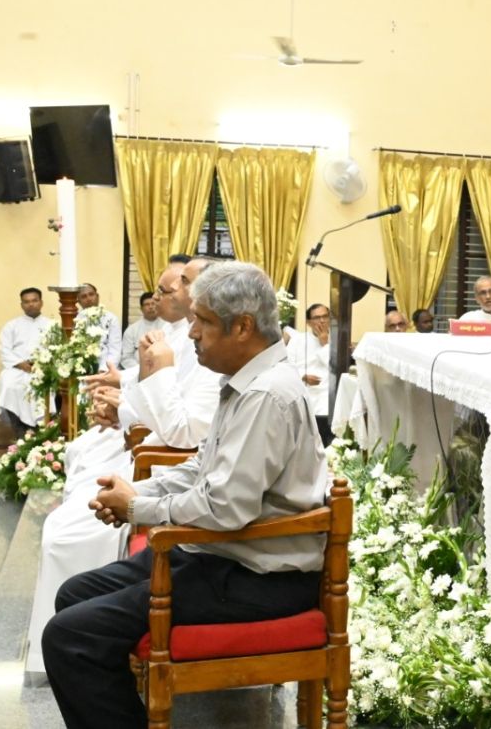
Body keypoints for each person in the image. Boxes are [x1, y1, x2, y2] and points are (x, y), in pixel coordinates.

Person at [41, 261, 328, 729]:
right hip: (226, 555)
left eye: (203, 322)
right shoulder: (247, 382)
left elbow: (224, 507)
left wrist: (138, 507)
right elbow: (202, 467)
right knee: (75, 594)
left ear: (243, 327)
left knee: (71, 637)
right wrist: (138, 491)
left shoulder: (266, 395)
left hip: (258, 577)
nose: (191, 333)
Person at [25, 260, 220, 676]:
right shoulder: (196, 344)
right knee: (73, 503)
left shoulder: (238, 376)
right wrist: (128, 402)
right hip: (162, 468)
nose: (172, 294)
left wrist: (136, 503)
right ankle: (71, 646)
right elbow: (189, 437)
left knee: (64, 533)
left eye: (182, 284)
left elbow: (185, 432)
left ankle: (85, 648)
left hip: (164, 470)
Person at [0, 287, 54, 434]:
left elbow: (57, 349)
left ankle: (42, 432)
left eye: (34, 300)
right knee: (8, 383)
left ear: (41, 302)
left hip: (43, 369)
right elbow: (4, 349)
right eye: (26, 302)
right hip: (17, 368)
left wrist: (42, 365)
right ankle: (20, 432)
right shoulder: (11, 325)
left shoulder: (52, 325)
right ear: (21, 305)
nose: (31, 304)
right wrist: (21, 364)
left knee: (46, 387)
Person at [287, 303, 333, 443]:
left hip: (327, 398)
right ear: (308, 322)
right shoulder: (297, 340)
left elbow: (336, 368)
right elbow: (287, 366)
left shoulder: (337, 340)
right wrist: (303, 376)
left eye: (325, 316)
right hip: (305, 394)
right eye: (317, 318)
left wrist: (325, 343)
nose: (322, 321)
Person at [77, 282, 123, 370]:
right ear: (79, 302)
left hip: (107, 368)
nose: (89, 299)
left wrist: (104, 370)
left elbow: (115, 349)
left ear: (97, 296)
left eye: (91, 294)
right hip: (83, 368)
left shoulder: (111, 319)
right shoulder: (76, 320)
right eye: (84, 296)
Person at [118, 292, 162, 369]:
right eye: (147, 304)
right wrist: (142, 369)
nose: (151, 307)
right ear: (141, 309)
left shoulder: (167, 326)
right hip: (138, 370)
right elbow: (126, 357)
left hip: (163, 369)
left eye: (153, 304)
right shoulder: (131, 330)